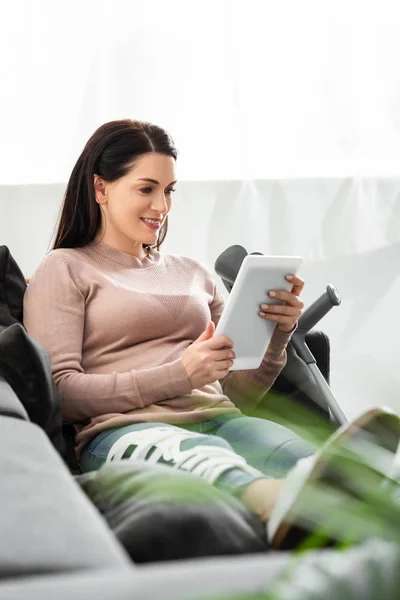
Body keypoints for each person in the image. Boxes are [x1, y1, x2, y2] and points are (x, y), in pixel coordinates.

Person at [23, 120, 400, 549]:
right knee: (220, 467)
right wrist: (179, 375)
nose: (161, 206)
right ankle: (280, 510)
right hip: (125, 431)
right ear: (101, 189)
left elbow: (238, 392)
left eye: (169, 191)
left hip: (222, 417)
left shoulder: (194, 273)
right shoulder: (66, 268)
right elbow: (63, 395)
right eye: (146, 189)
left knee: (314, 465)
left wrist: (277, 334)